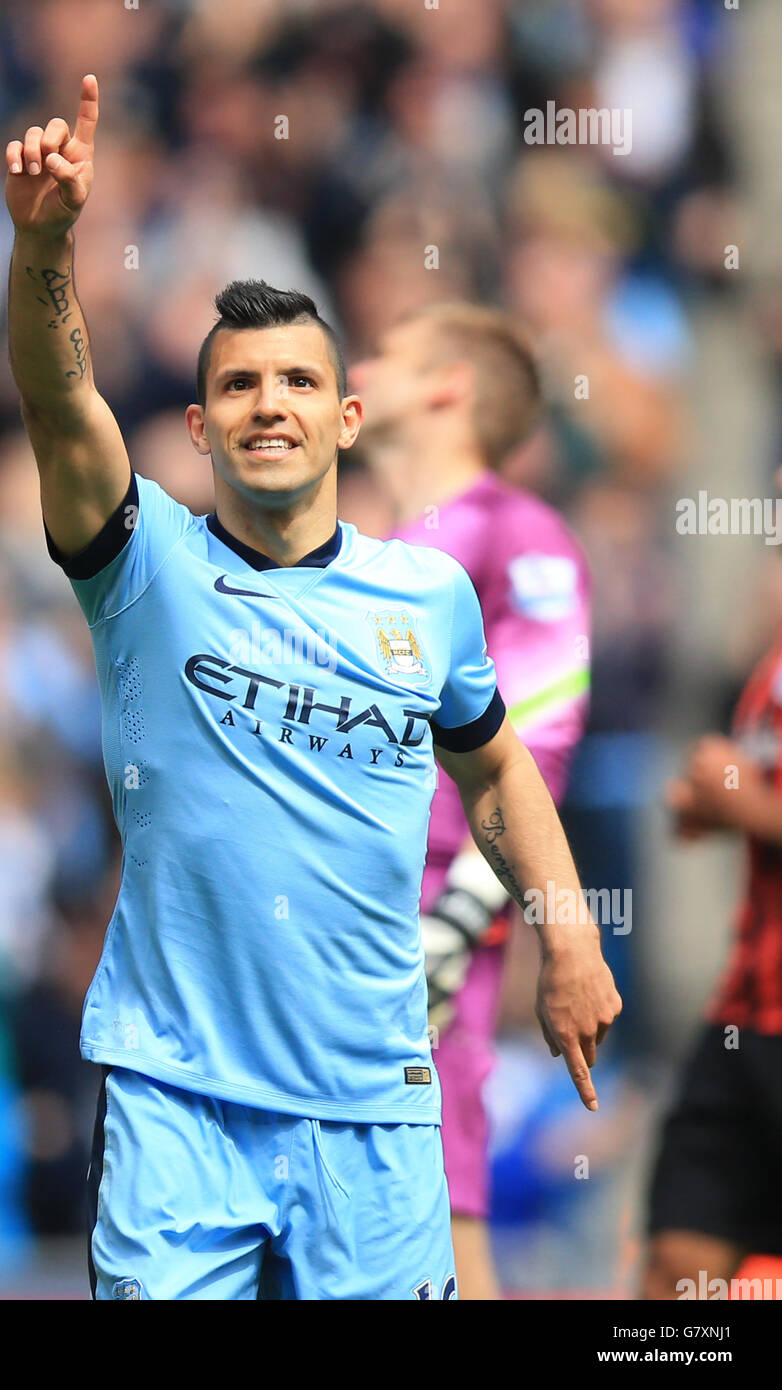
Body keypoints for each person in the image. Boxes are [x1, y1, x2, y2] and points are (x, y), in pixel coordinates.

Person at [4, 74, 621, 1301]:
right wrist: (45, 244)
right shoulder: (143, 565)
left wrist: (565, 935)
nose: (266, 404)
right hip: (176, 1098)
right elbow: (57, 394)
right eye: (237, 385)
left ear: (344, 419)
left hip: (375, 1107)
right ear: (197, 424)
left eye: (294, 382)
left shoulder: (427, 594)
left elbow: (495, 763)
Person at [352, 305, 592, 1299]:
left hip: (431, 921)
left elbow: (535, 744)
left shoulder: (517, 530)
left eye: (380, 357)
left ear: (444, 386)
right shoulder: (371, 551)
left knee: (437, 1210)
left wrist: (456, 919)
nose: (352, 370)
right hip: (351, 904)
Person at [643, 629, 782, 1299]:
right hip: (745, 1018)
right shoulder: (770, 667)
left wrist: (747, 805)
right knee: (678, 1263)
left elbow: (759, 802)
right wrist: (710, 803)